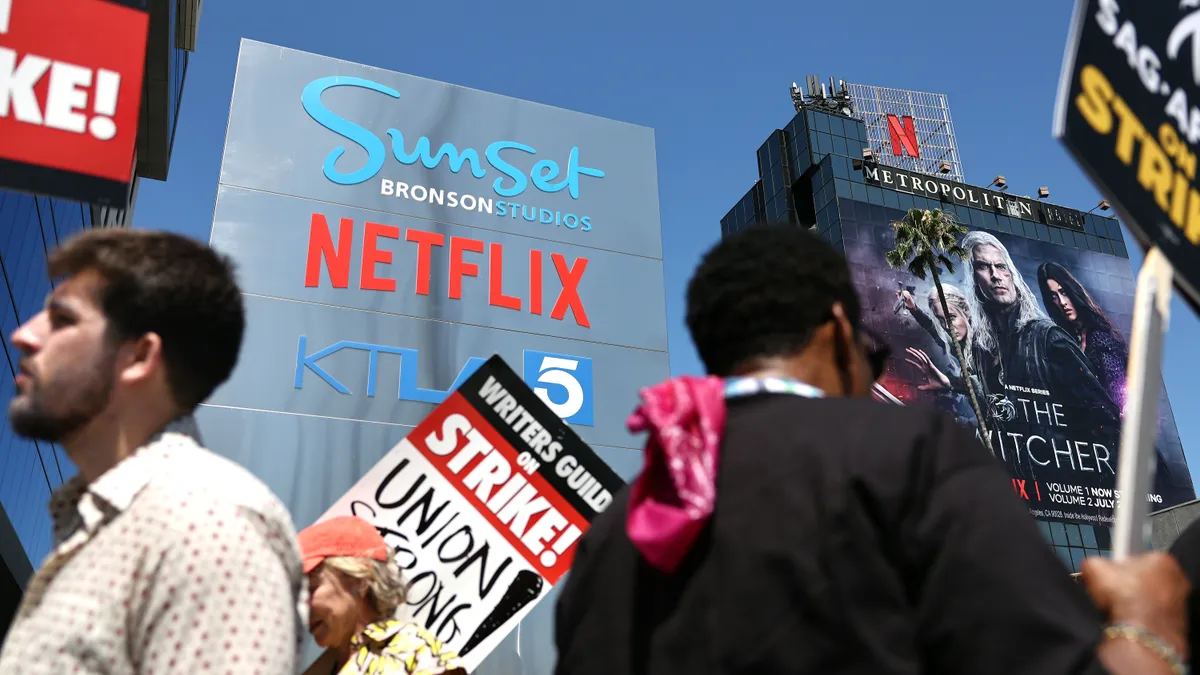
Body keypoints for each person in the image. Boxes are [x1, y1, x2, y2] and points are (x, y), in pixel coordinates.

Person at [553, 224, 1189, 675]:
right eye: (871, 354)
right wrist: (1150, 628)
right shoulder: (913, 455)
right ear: (837, 328)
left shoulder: (609, 542)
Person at [0, 230, 306, 674]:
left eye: (63, 319)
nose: (24, 335)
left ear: (140, 357)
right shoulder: (99, 519)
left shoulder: (208, 527)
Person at [298, 515, 466, 675]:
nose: (301, 607)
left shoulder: (417, 653)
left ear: (359, 578)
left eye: (310, 589)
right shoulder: (318, 669)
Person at [1036, 261, 1128, 412]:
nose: (1062, 302)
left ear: (1072, 291)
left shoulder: (1099, 337)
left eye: (1063, 292)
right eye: (1054, 296)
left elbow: (1116, 384)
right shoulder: (1067, 341)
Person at [897, 284, 981, 425]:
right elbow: (933, 329)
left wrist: (949, 383)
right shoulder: (957, 342)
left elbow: (983, 385)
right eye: (941, 320)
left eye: (952, 317)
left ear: (966, 310)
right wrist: (914, 308)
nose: (947, 326)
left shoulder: (985, 343)